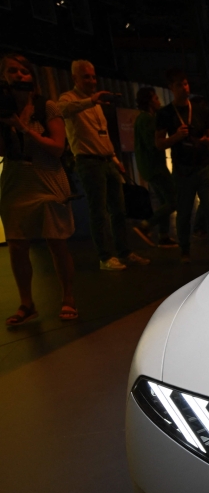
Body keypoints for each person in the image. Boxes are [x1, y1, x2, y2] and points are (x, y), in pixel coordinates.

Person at [0, 54, 78, 325]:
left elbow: (57, 148)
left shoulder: (46, 106)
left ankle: (68, 297)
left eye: (24, 71)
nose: (19, 75)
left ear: (32, 76)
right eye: (12, 71)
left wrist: (24, 129)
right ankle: (27, 304)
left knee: (56, 242)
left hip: (47, 177)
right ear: (4, 77)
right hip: (16, 179)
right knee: (16, 244)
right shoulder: (3, 109)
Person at [58, 59, 149, 270]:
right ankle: (105, 257)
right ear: (74, 78)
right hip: (88, 162)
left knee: (119, 210)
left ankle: (124, 252)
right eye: (86, 77)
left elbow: (103, 135)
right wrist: (91, 100)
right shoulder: (69, 98)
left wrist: (115, 159)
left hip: (107, 161)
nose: (92, 81)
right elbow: (62, 110)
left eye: (93, 76)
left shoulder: (97, 104)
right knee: (98, 211)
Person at [155, 69, 209, 263]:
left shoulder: (200, 108)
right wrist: (177, 136)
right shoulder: (165, 113)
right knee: (184, 213)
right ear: (171, 88)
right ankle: (184, 250)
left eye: (185, 84)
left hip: (204, 166)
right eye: (179, 85)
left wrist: (204, 141)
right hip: (183, 169)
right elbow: (159, 143)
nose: (184, 88)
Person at [132, 87, 177, 248]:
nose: (159, 101)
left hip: (150, 167)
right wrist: (174, 138)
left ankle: (164, 236)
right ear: (149, 101)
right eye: (156, 98)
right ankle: (146, 225)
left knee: (164, 201)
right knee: (173, 200)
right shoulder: (147, 119)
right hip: (155, 167)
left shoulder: (142, 118)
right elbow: (154, 145)